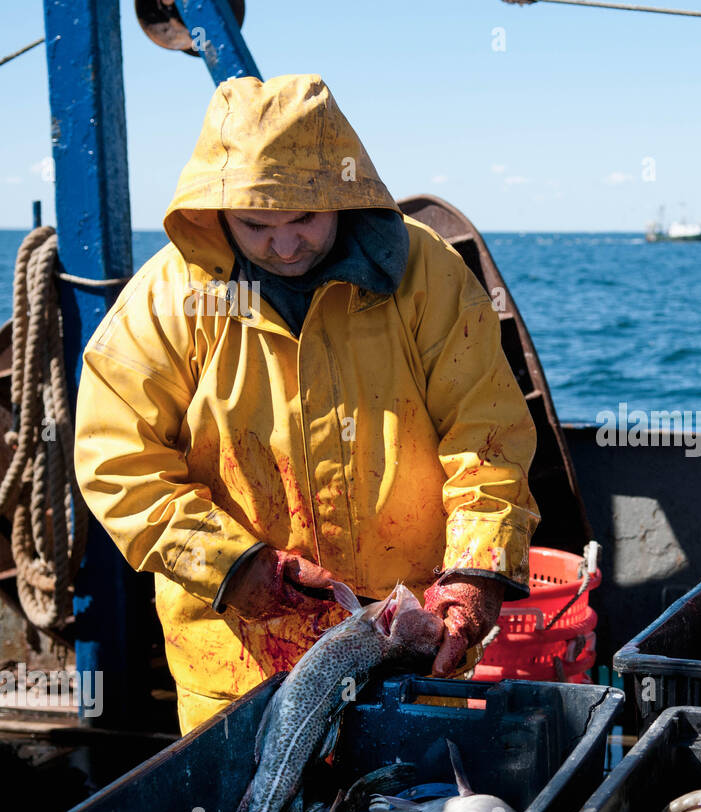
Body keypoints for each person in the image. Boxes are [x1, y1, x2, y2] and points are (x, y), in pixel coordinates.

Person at [73, 74, 540, 734]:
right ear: (216, 210)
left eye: (304, 219)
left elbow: (487, 438)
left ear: (345, 198)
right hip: (233, 668)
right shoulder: (164, 303)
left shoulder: (429, 277)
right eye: (257, 224)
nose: (285, 244)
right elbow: (115, 462)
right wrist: (233, 565)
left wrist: (472, 580)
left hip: (408, 649)